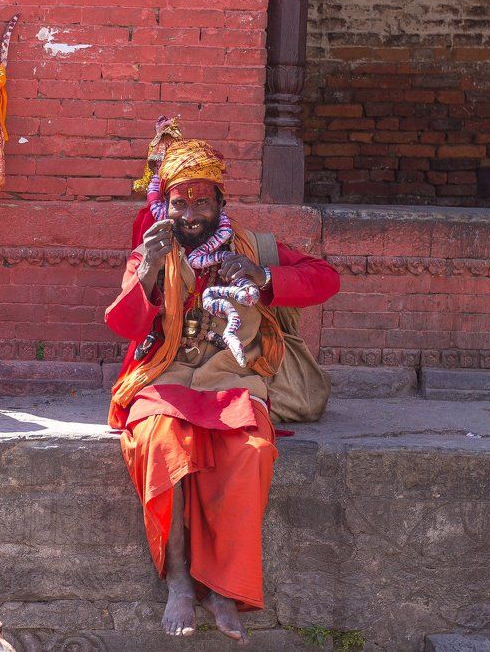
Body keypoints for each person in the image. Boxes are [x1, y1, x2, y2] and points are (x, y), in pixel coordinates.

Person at [106, 133, 340, 644]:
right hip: (164, 375)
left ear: (220, 204)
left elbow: (326, 278)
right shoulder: (152, 252)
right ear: (165, 206)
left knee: (251, 452)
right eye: (179, 202)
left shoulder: (252, 246)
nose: (190, 213)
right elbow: (124, 325)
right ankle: (180, 581)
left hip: (235, 377)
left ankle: (221, 589)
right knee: (161, 444)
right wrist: (147, 268)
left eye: (201, 201)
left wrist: (265, 277)